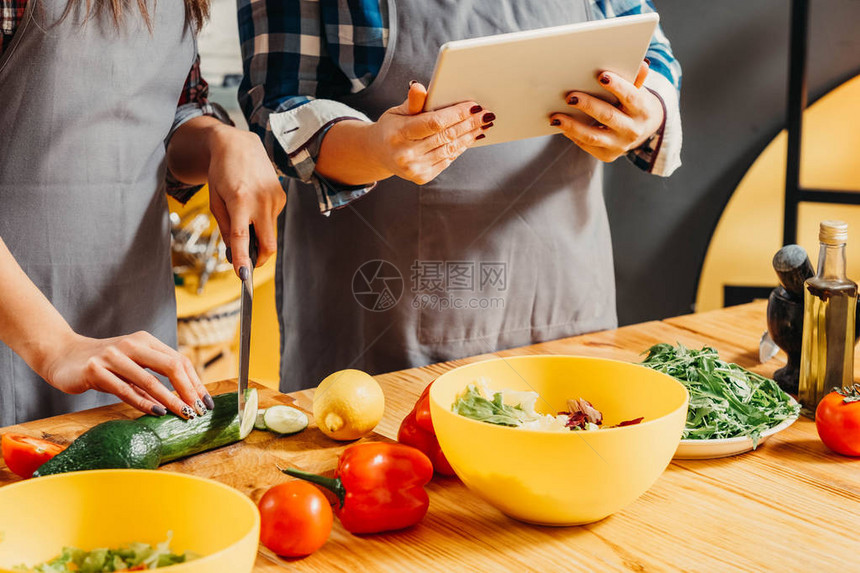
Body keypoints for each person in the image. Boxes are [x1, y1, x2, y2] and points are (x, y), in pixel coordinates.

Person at [238, 0, 682, 392]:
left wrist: (647, 111)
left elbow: (651, 50)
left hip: (566, 300)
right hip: (385, 323)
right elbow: (276, 104)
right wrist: (376, 148)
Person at [0, 0, 285, 425]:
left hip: (137, 325)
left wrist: (218, 141)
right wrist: (55, 346)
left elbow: (168, 117)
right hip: (18, 336)